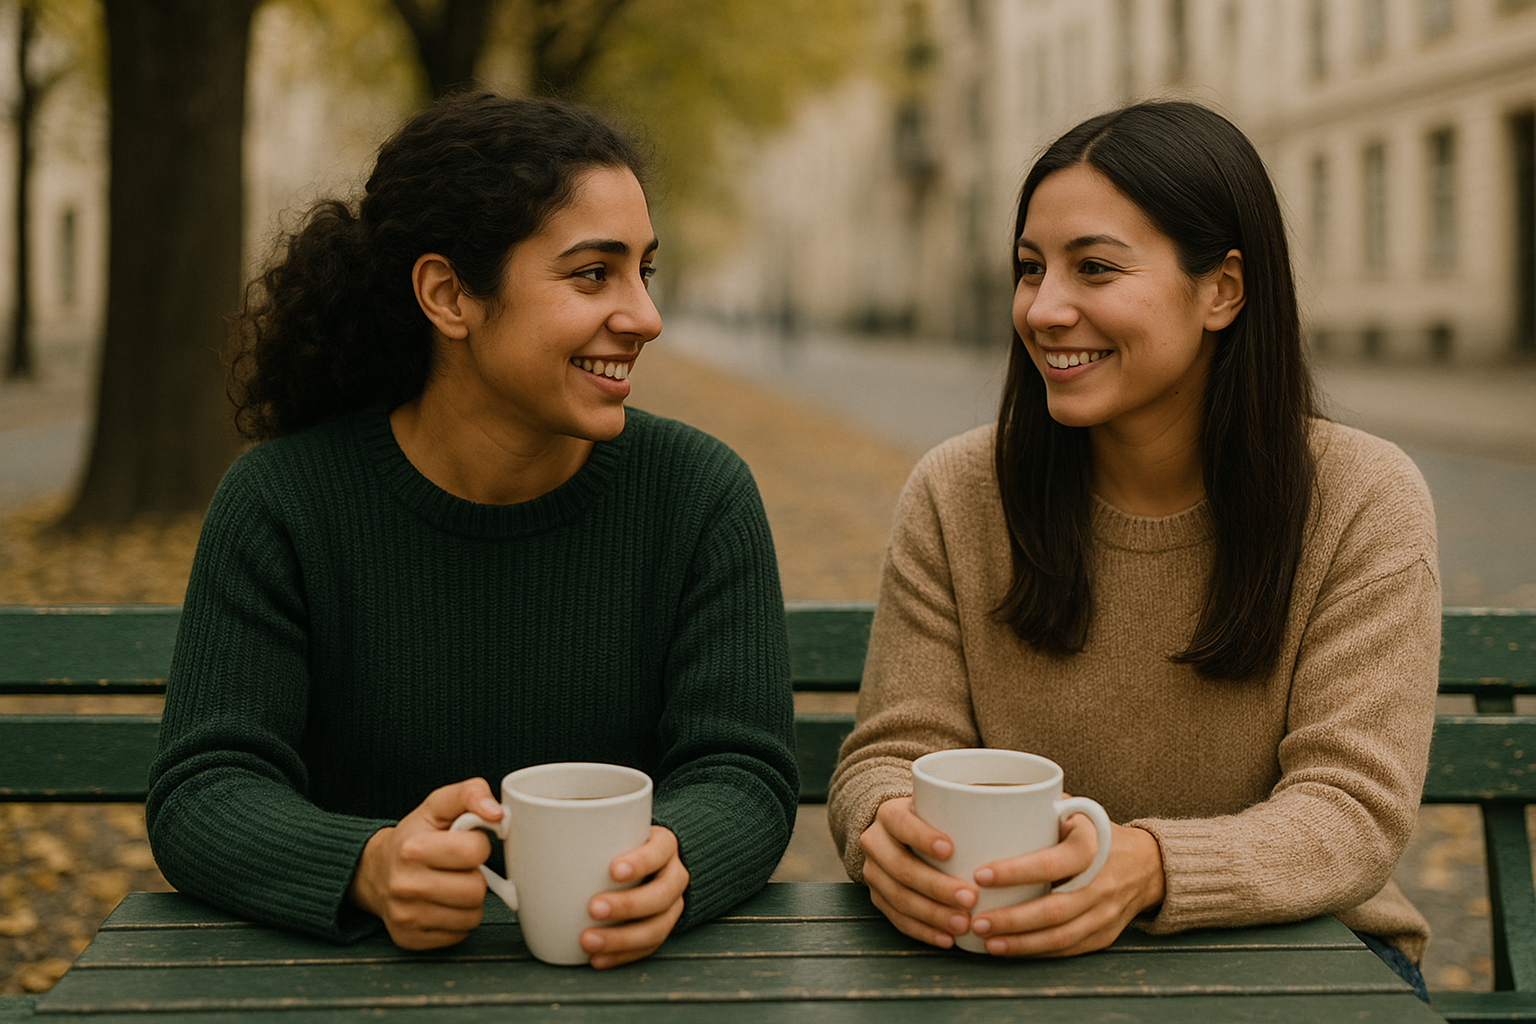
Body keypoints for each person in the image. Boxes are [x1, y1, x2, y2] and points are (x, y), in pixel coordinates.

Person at [146, 92, 799, 970]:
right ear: (449, 295)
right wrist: (368, 866)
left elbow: (743, 773)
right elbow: (203, 788)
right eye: (592, 274)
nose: (644, 315)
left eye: (645, 269)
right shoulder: (283, 503)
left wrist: (675, 862)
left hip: (619, 986)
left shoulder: (698, 495)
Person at [827, 101, 1438, 998]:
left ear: (1222, 289)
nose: (1044, 308)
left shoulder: (1363, 499)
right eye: (1030, 269)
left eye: (1096, 268)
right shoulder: (959, 493)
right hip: (1009, 953)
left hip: (1306, 961)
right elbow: (893, 752)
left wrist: (1147, 866)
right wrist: (882, 827)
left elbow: (1351, 812)